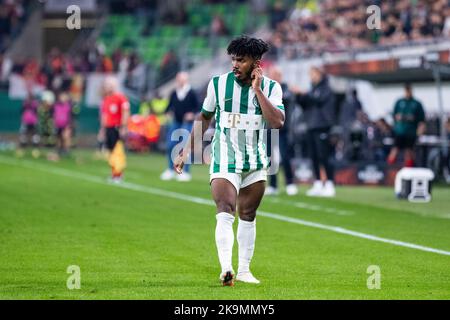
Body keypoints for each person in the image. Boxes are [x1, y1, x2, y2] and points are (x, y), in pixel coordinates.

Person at [173, 36, 285, 285]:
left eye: (241, 60)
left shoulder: (271, 88)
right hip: (224, 156)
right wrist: (185, 151)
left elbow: (276, 122)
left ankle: (244, 270)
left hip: (255, 161)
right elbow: (203, 118)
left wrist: (257, 90)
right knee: (225, 209)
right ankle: (226, 269)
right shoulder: (217, 85)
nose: (235, 64)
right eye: (233, 59)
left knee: (248, 213)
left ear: (256, 63)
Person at [291, 66, 336, 197]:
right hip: (310, 126)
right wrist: (299, 95)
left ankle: (329, 184)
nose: (311, 77)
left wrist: (304, 93)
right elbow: (304, 104)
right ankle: (317, 183)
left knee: (325, 156)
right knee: (314, 156)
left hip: (323, 126)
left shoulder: (326, 89)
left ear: (320, 74)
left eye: (313, 74)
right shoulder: (312, 90)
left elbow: (318, 100)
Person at [265, 66, 298, 196]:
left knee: (285, 156)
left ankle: (290, 183)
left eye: (275, 75)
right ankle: (273, 185)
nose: (273, 77)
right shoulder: (266, 90)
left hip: (282, 128)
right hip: (269, 127)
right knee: (270, 157)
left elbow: (284, 100)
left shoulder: (285, 89)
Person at [160, 72, 199, 182]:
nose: (180, 81)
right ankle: (170, 170)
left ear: (186, 80)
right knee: (170, 145)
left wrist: (192, 114)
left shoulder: (191, 92)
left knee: (184, 147)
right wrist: (167, 113)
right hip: (176, 122)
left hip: (187, 123)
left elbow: (198, 108)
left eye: (182, 79)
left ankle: (184, 171)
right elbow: (169, 106)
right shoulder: (174, 92)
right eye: (179, 79)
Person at [99, 76, 130, 182]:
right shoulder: (106, 99)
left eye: (109, 85)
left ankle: (118, 174)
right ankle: (114, 173)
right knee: (111, 152)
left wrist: (123, 126)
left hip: (117, 128)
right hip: (108, 128)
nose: (107, 87)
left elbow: (125, 112)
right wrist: (102, 129)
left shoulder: (120, 97)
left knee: (118, 151)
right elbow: (104, 115)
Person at [387, 83, 426, 167]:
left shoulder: (416, 103)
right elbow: (394, 116)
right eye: (406, 90)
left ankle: (409, 170)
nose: (408, 92)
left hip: (411, 132)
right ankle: (389, 169)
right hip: (399, 132)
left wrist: (420, 131)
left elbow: (421, 120)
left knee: (409, 152)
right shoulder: (399, 102)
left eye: (409, 90)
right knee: (395, 150)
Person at [18, 92, 40, 157]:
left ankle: (35, 150)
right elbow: (22, 112)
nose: (29, 99)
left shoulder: (35, 104)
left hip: (33, 122)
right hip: (25, 121)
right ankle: (22, 149)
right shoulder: (25, 104)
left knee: (35, 136)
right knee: (23, 135)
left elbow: (37, 112)